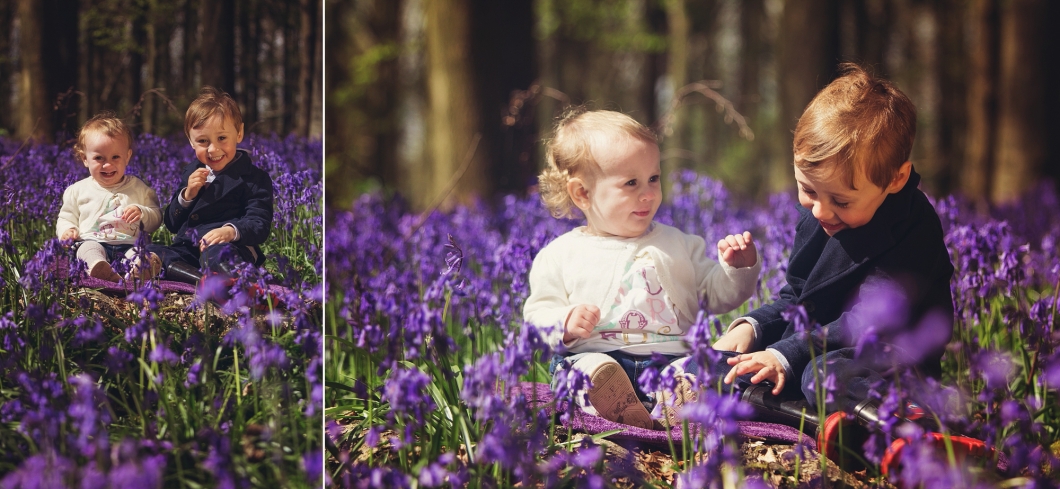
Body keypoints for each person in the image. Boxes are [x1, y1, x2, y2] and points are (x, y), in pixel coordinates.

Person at [712, 63, 955, 428]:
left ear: (895, 179)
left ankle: (916, 417)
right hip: (821, 346)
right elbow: (796, 297)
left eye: (841, 201)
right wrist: (753, 328)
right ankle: (829, 421)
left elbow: (867, 322)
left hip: (891, 357)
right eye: (808, 189)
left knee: (822, 375)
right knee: (738, 365)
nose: (821, 210)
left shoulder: (913, 228)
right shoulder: (820, 212)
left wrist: (786, 354)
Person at [524, 109, 762, 429]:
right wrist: (563, 322)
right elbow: (537, 315)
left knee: (706, 366)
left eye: (653, 178)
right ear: (582, 193)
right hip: (599, 357)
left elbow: (717, 294)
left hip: (671, 360)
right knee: (579, 371)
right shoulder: (560, 255)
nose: (648, 193)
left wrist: (737, 270)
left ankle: (676, 398)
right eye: (631, 183)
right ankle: (609, 399)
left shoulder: (679, 243)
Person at [149, 86, 274, 285]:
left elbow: (259, 224)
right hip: (189, 248)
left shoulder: (253, 178)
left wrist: (230, 231)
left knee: (219, 257)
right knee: (150, 250)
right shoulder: (191, 172)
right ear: (191, 141)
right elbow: (172, 225)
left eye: (222, 138)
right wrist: (187, 196)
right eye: (203, 141)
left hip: (229, 246)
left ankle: (234, 280)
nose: (213, 149)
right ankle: (202, 280)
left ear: (239, 133)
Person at [57, 112, 163, 282]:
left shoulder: (139, 188)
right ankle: (98, 268)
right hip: (91, 241)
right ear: (85, 158)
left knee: (139, 255)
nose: (108, 164)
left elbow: (156, 218)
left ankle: (139, 269)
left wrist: (142, 213)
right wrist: (67, 231)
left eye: (115, 157)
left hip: (129, 244)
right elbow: (65, 217)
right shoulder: (77, 190)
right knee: (87, 250)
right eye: (99, 158)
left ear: (127, 157)